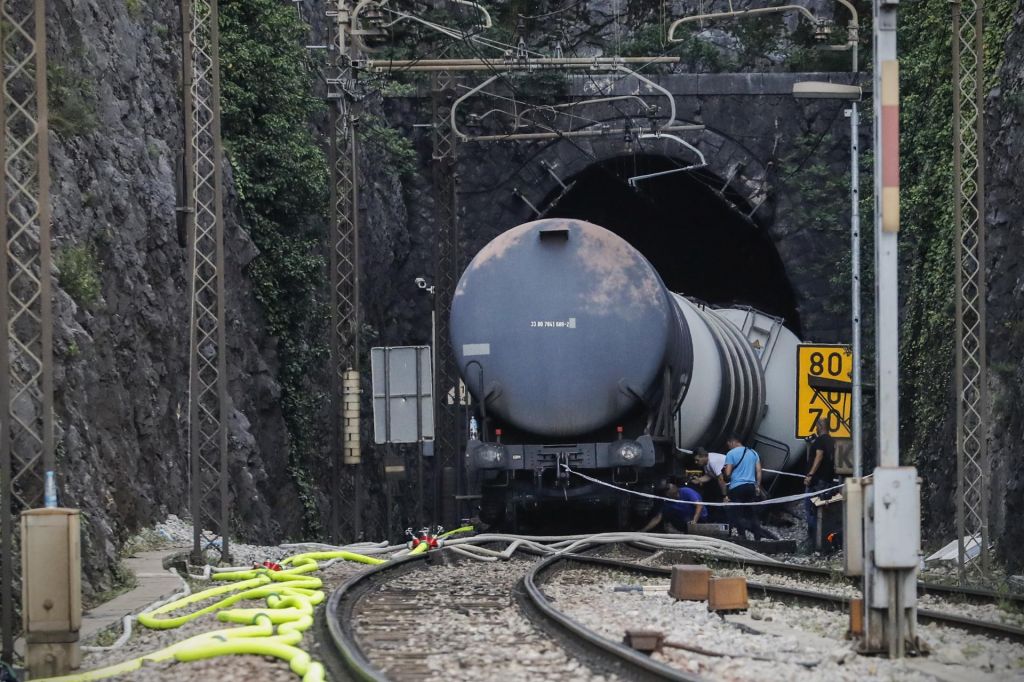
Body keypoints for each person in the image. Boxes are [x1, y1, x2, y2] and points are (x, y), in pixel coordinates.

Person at [722, 434, 777, 541]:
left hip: (737, 487)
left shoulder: (730, 453)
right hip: (751, 487)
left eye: (728, 445)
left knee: (737, 512)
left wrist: (726, 473)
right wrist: (757, 486)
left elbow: (727, 473)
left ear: (732, 442)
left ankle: (742, 536)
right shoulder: (753, 453)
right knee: (751, 513)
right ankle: (757, 536)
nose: (728, 447)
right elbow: (759, 471)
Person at [804, 417, 836, 549]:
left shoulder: (820, 441)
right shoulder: (831, 441)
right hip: (828, 480)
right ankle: (823, 540)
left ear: (820, 426)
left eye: (817, 425)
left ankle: (813, 540)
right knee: (822, 510)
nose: (816, 428)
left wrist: (810, 475)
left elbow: (819, 456)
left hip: (817, 481)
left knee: (810, 509)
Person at [639, 479, 708, 533]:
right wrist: (643, 531)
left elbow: (699, 506)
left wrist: (694, 521)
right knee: (668, 513)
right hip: (685, 520)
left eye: (676, 492)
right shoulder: (667, 502)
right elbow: (657, 518)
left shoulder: (686, 491)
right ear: (667, 495)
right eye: (672, 494)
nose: (676, 495)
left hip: (700, 518)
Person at [691, 447, 728, 520]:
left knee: (724, 505)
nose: (696, 462)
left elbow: (721, 479)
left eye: (697, 460)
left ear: (704, 456)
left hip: (733, 481)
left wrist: (725, 496)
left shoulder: (712, 462)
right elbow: (709, 476)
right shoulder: (706, 463)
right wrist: (699, 480)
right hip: (727, 481)